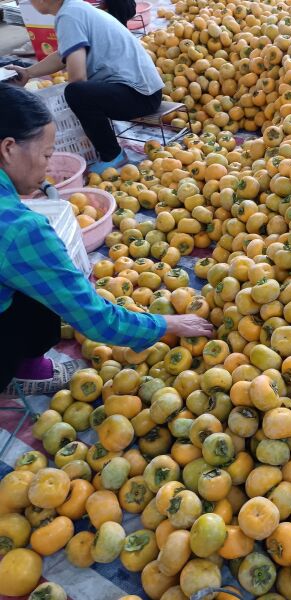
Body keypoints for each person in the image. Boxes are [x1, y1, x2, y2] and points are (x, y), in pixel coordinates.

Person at [0, 84, 213, 395]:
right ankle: (26, 371)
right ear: (8, 148)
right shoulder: (22, 229)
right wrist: (171, 324)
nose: (48, 166)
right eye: (47, 154)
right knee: (47, 287)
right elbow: (95, 319)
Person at [8, 0, 164, 174]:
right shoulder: (74, 8)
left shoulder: (68, 15)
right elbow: (63, 55)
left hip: (139, 95)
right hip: (146, 91)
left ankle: (112, 154)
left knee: (77, 92)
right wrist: (28, 73)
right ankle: (111, 151)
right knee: (79, 92)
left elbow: (78, 78)